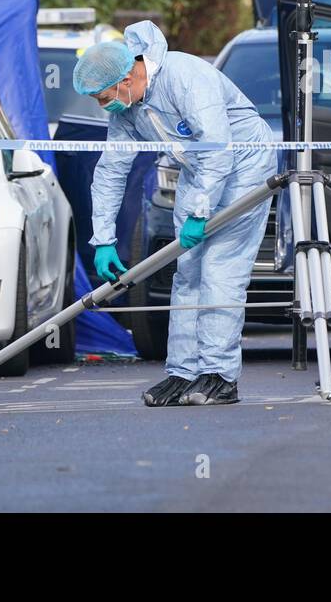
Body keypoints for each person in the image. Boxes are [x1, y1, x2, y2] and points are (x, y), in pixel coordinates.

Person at [73, 21, 275, 406]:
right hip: (199, 170)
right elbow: (111, 172)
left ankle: (219, 374)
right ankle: (182, 372)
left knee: (219, 269)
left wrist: (200, 211)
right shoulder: (127, 110)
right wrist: (103, 239)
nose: (104, 107)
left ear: (128, 76)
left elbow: (218, 149)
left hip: (244, 163)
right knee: (187, 272)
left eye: (103, 98)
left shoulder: (186, 77)